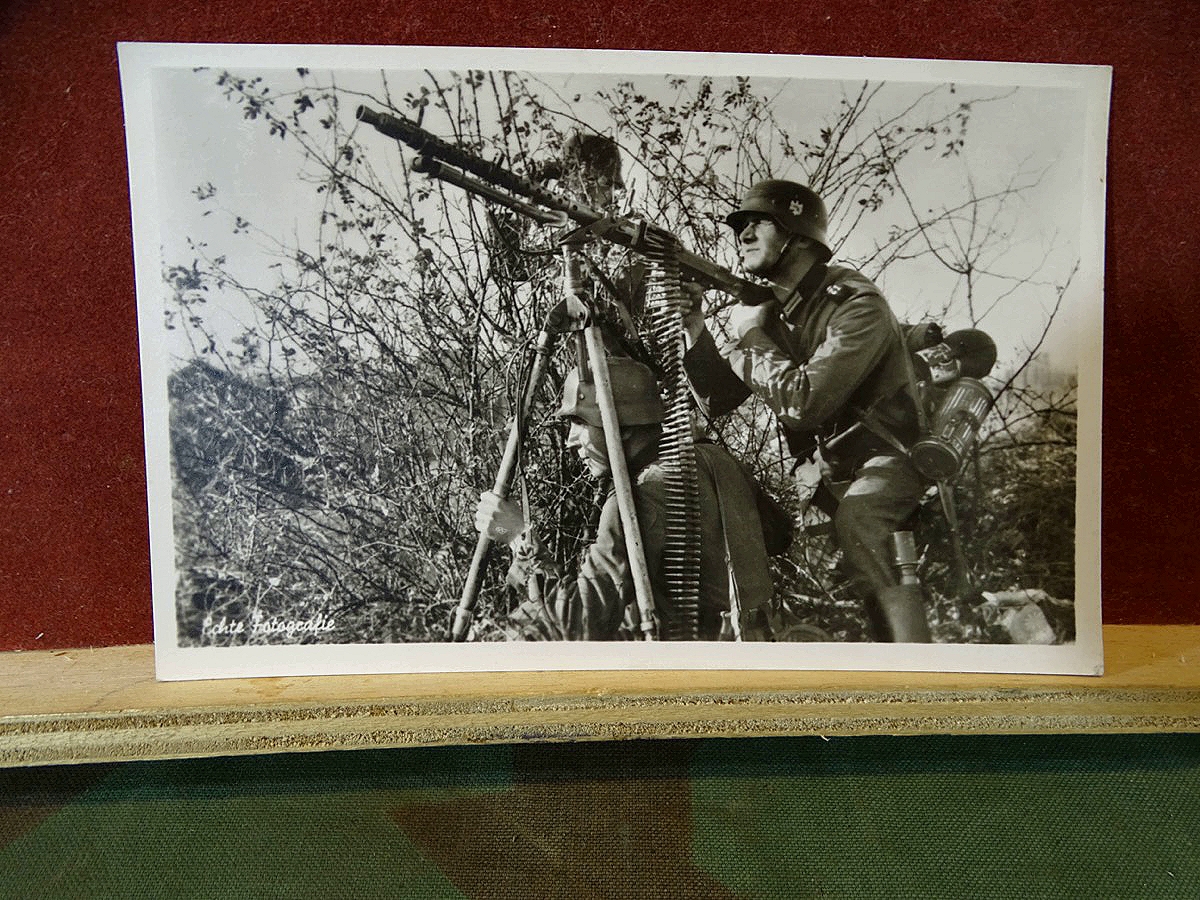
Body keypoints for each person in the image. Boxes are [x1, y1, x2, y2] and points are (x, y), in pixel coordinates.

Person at [682, 180, 932, 642]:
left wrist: (751, 338)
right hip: (822, 473)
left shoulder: (857, 304)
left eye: (758, 222)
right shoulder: (777, 312)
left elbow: (803, 403)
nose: (743, 233)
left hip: (886, 457)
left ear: (799, 237)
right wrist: (698, 330)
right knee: (819, 585)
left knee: (860, 522)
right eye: (741, 224)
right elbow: (718, 399)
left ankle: (909, 662)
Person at [474, 356, 774, 641]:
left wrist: (515, 535)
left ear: (623, 427)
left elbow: (575, 625)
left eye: (581, 423)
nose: (570, 441)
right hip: (756, 645)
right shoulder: (713, 457)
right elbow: (778, 535)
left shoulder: (638, 498)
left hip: (694, 662)